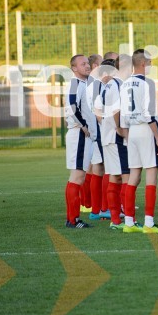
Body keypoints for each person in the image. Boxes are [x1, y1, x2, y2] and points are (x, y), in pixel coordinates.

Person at [120, 49, 158, 233]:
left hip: (131, 132)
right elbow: (149, 114)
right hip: (146, 130)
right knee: (151, 175)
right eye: (150, 63)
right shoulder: (148, 83)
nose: (151, 66)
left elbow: (123, 114)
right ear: (143, 64)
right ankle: (149, 223)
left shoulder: (124, 85)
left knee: (133, 176)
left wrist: (127, 136)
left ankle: (129, 223)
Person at [95, 56, 130, 230]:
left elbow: (97, 111)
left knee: (114, 176)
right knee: (127, 176)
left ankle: (115, 219)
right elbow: (116, 108)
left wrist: (106, 125)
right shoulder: (116, 84)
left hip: (107, 136)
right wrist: (118, 127)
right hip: (116, 137)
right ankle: (127, 218)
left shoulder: (106, 86)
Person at [63, 54, 93, 228]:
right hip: (79, 134)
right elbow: (72, 106)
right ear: (74, 68)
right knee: (77, 176)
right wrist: (83, 125)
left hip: (83, 134)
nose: (87, 66)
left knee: (78, 176)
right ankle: (73, 219)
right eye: (83, 64)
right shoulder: (75, 83)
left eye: (87, 63)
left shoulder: (83, 84)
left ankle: (72, 218)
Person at [85, 53, 110, 221]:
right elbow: (97, 110)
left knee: (97, 169)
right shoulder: (97, 85)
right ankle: (104, 208)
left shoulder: (89, 85)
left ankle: (96, 210)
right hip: (100, 131)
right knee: (108, 168)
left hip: (94, 131)